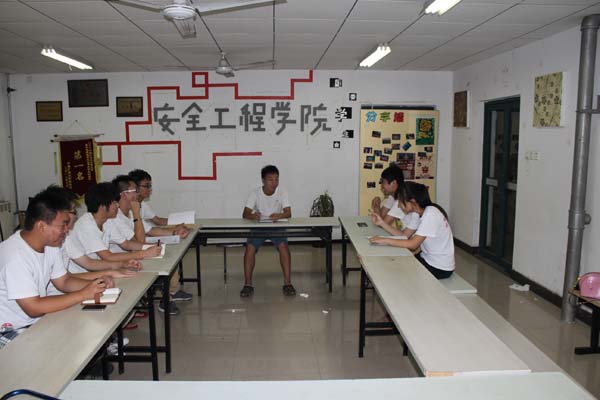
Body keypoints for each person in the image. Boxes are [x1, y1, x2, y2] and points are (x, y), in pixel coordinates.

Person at [0, 189, 111, 347]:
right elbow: (33, 307)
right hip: (9, 328)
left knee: (85, 332)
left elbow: (64, 281)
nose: (67, 230)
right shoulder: (15, 256)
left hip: (34, 321)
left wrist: (96, 285)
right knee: (60, 348)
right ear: (41, 226)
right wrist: (83, 294)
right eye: (63, 225)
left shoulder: (50, 245)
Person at [128, 169, 193, 312]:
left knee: (171, 253)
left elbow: (155, 223)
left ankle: (172, 291)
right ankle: (166, 298)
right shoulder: (129, 209)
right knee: (166, 255)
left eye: (150, 186)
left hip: (140, 244)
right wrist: (174, 231)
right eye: (146, 186)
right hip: (133, 249)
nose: (149, 189)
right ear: (134, 188)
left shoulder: (140, 204)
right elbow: (146, 234)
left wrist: (176, 229)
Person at [65, 182, 161, 275]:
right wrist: (144, 253)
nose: (118, 205)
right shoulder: (86, 225)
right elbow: (108, 256)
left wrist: (151, 247)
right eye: (114, 202)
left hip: (99, 269)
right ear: (103, 206)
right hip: (82, 274)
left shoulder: (107, 220)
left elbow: (126, 244)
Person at [369, 182, 455, 279]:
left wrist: (385, 240)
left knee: (394, 271)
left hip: (439, 267)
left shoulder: (431, 213)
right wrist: (381, 223)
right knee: (392, 263)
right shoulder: (418, 213)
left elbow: (413, 245)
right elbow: (404, 236)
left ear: (412, 202)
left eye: (400, 201)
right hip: (426, 258)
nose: (398, 206)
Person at [241, 165, 295, 297]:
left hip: (277, 225)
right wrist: (254, 216)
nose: (274, 183)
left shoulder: (282, 192)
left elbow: (288, 213)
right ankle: (248, 284)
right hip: (259, 226)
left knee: (284, 248)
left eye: (276, 179)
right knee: (249, 249)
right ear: (263, 181)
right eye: (270, 180)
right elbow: (245, 213)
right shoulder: (255, 193)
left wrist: (279, 216)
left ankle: (288, 283)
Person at [370, 165, 420, 237]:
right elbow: (381, 217)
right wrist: (377, 206)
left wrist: (376, 206)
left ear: (393, 183)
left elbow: (381, 223)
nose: (381, 186)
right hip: (403, 235)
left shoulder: (401, 201)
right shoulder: (392, 197)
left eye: (383, 182)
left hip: (410, 238)